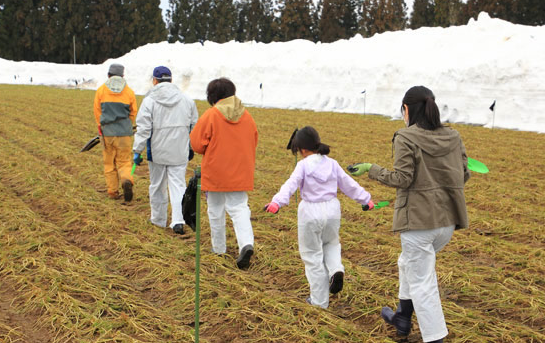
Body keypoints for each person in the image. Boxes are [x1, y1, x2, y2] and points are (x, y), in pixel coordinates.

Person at [348, 85, 470, 343]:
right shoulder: (453, 135)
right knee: (409, 265)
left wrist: (371, 169)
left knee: (423, 281)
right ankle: (402, 317)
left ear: (407, 109)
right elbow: (463, 176)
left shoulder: (406, 137)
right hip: (446, 223)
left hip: (419, 223)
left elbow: (402, 179)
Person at [264, 126, 374, 309]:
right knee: (331, 244)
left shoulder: (303, 165)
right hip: (332, 210)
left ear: (303, 149)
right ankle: (336, 269)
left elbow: (290, 185)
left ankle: (319, 301)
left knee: (312, 256)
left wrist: (277, 202)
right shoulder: (332, 163)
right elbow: (348, 184)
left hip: (310, 212)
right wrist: (366, 199)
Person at [190, 78, 258, 269]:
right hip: (241, 171)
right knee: (239, 209)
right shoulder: (247, 116)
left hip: (215, 171)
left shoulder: (211, 115)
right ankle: (246, 243)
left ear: (212, 96)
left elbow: (196, 144)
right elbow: (254, 139)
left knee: (215, 210)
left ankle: (218, 248)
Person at [133, 66, 198, 234]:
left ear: (154, 81)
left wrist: (137, 150)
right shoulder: (187, 100)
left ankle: (158, 220)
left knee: (157, 186)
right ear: (171, 80)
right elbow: (194, 127)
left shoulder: (149, 101)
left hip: (157, 152)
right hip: (179, 152)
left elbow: (143, 129)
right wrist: (191, 147)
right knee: (178, 185)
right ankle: (178, 220)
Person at [93, 63, 138, 201]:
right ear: (123, 76)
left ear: (108, 75)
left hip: (108, 133)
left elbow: (97, 112)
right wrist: (127, 125)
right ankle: (126, 179)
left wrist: (101, 127)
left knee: (109, 163)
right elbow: (133, 112)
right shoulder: (129, 92)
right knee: (124, 161)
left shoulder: (101, 90)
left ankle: (113, 191)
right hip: (125, 133)